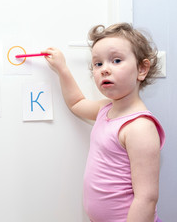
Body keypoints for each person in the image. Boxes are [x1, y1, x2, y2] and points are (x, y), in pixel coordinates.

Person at [42, 23, 165, 222]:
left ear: (142, 69)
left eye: (116, 60)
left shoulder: (140, 127)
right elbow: (77, 103)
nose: (104, 69)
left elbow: (146, 199)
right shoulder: (106, 109)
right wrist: (62, 69)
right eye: (98, 64)